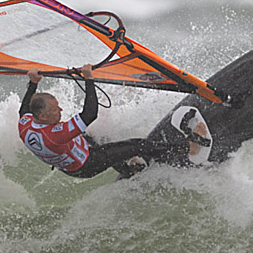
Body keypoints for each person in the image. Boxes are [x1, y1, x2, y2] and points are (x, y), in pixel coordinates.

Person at [18, 64, 171, 179]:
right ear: (43, 116)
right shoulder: (55, 136)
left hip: (70, 164)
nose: (60, 110)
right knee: (138, 145)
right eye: (54, 110)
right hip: (88, 164)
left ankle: (129, 172)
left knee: (95, 137)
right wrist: (89, 79)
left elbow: (24, 109)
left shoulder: (25, 124)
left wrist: (33, 83)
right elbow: (90, 115)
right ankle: (177, 153)